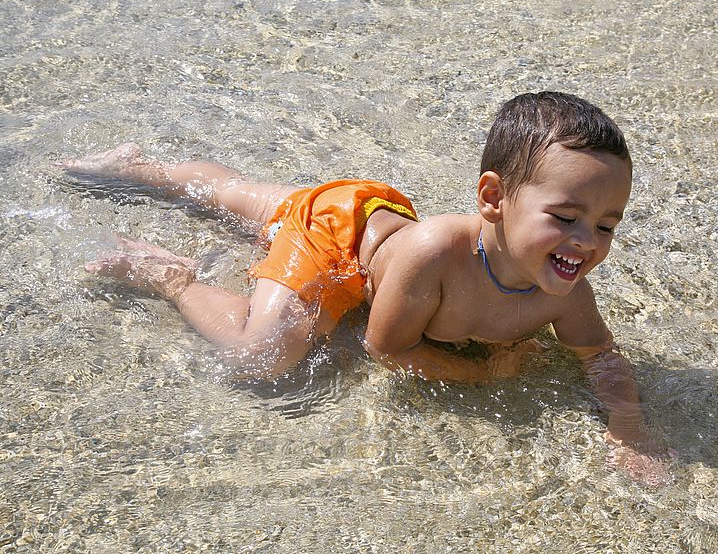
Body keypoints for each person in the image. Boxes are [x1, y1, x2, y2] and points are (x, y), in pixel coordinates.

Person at [59, 91, 672, 485]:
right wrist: (481, 375)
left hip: (376, 222)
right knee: (261, 355)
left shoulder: (566, 289)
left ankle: (138, 167)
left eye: (606, 224)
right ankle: (170, 271)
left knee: (240, 198)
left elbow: (601, 357)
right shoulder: (436, 254)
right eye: (565, 218)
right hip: (339, 241)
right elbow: (387, 348)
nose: (586, 241)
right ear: (492, 199)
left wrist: (629, 429)